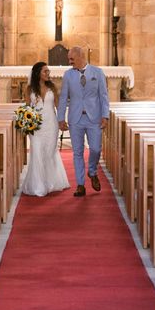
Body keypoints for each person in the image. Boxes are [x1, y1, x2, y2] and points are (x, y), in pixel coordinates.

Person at [58, 47, 110, 197]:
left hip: (94, 118)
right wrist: (60, 118)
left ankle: (92, 171)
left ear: (81, 57)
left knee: (95, 149)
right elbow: (63, 97)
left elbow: (103, 96)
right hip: (75, 119)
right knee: (78, 152)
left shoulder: (97, 72)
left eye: (71, 59)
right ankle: (80, 185)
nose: (69, 62)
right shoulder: (68, 75)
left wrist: (105, 116)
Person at [21, 61, 70, 197]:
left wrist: (61, 122)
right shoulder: (30, 89)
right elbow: (26, 108)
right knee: (36, 153)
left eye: (48, 71)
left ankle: (50, 183)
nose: (48, 74)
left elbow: (58, 106)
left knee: (49, 153)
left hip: (51, 125)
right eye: (45, 71)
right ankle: (38, 186)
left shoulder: (52, 88)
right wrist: (26, 125)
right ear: (38, 73)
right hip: (36, 126)